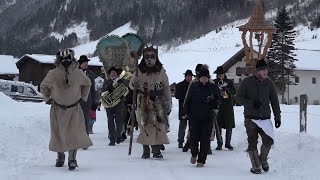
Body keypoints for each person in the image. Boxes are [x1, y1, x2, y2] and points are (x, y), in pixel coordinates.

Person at [40, 49, 93, 170]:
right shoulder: (52, 73)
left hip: (74, 109)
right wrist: (48, 99)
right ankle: (60, 157)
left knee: (73, 134)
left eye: (68, 58)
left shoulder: (79, 73)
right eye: (63, 59)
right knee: (58, 134)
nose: (66, 61)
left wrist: (82, 97)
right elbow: (43, 86)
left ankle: (72, 159)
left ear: (72, 59)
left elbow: (87, 84)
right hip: (57, 110)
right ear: (59, 60)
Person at [236, 59, 281, 174]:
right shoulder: (247, 82)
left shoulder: (269, 83)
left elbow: (274, 101)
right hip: (251, 118)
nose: (266, 72)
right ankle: (256, 166)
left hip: (265, 118)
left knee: (269, 140)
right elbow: (238, 97)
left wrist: (277, 117)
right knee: (252, 141)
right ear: (258, 71)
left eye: (267, 70)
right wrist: (251, 104)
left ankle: (262, 160)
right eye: (263, 70)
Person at [129, 45, 172, 159]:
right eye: (147, 57)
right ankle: (146, 149)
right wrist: (134, 82)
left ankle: (156, 149)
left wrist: (169, 101)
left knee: (159, 125)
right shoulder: (139, 70)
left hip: (158, 101)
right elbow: (131, 86)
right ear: (144, 58)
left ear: (156, 58)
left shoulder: (161, 71)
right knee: (145, 125)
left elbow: (166, 87)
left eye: (152, 57)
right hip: (144, 101)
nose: (149, 59)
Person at [182, 68, 221, 167]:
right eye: (202, 78)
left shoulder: (213, 87)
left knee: (205, 139)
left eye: (205, 78)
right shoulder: (194, 86)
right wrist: (185, 111)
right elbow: (188, 100)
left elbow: (218, 100)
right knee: (193, 138)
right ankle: (194, 154)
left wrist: (214, 103)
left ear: (208, 78)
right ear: (199, 78)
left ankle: (201, 160)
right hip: (194, 117)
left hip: (207, 118)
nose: (204, 80)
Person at [213, 66, 236, 151]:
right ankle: (219, 143)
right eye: (219, 75)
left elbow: (234, 91)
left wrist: (227, 89)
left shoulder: (229, 82)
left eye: (222, 74)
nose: (220, 76)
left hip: (228, 107)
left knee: (229, 126)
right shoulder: (214, 82)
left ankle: (228, 143)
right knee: (218, 126)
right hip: (218, 106)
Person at [101, 66, 125, 146]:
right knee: (110, 122)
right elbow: (103, 89)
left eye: (114, 72)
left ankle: (118, 136)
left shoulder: (121, 81)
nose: (113, 74)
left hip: (119, 104)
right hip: (109, 105)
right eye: (112, 73)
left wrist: (122, 95)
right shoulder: (107, 81)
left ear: (117, 73)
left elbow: (126, 90)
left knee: (119, 122)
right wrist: (108, 87)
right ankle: (112, 139)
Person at [175, 70, 194, 149]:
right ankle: (180, 141)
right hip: (182, 108)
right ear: (185, 76)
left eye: (190, 76)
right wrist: (186, 97)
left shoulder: (194, 85)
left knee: (191, 126)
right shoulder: (180, 85)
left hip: (192, 108)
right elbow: (177, 95)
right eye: (188, 76)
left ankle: (189, 141)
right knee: (182, 126)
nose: (189, 78)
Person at [78, 55, 96, 135]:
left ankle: (85, 140)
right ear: (80, 64)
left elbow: (93, 89)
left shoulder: (91, 74)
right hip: (76, 101)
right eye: (84, 62)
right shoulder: (74, 73)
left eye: (87, 62)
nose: (86, 64)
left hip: (87, 101)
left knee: (86, 121)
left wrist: (94, 101)